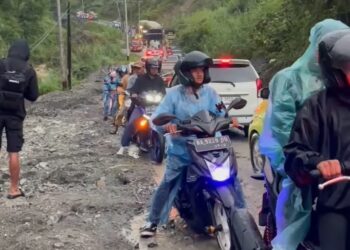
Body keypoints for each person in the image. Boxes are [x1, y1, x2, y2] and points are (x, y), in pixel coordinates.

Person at [259, 19, 349, 249]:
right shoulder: (309, 98)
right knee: (295, 222)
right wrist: (316, 163)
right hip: (318, 179)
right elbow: (285, 135)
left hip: (340, 177)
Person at [140, 51, 244, 237]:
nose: (199, 74)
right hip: (183, 148)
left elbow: (221, 112)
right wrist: (167, 125)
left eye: (202, 70)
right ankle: (152, 221)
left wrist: (230, 119)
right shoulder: (173, 95)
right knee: (169, 182)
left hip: (211, 144)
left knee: (232, 177)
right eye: (195, 70)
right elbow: (157, 118)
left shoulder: (210, 93)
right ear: (185, 73)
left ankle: (241, 217)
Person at [284, 30, 350, 250]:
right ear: (335, 71)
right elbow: (295, 151)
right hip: (338, 202)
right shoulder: (317, 107)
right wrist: (318, 162)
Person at [0, 39, 39, 199]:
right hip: (15, 115)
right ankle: (13, 189)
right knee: (13, 151)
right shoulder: (29, 70)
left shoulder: (1, 64)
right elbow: (33, 96)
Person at [117, 58, 165, 158]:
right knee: (131, 124)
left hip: (156, 107)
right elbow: (134, 90)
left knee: (166, 123)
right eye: (153, 68)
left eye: (156, 68)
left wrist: (165, 97)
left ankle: (165, 145)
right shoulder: (141, 79)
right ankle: (123, 145)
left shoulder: (160, 80)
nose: (155, 70)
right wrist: (134, 94)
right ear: (148, 68)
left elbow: (164, 92)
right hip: (141, 106)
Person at [110, 62, 144, 134]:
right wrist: (130, 94)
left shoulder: (145, 78)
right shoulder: (129, 78)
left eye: (139, 68)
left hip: (143, 98)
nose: (137, 70)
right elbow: (128, 89)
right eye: (136, 68)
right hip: (130, 98)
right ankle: (116, 128)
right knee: (121, 112)